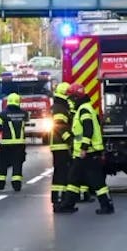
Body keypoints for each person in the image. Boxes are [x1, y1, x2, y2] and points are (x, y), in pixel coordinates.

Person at [72, 94, 113, 215]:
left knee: (97, 181)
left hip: (89, 151)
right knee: (77, 176)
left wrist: (84, 148)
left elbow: (88, 130)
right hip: (92, 150)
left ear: (76, 98)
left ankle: (106, 205)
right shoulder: (88, 108)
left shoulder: (84, 109)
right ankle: (68, 203)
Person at [49, 82, 77, 211]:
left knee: (63, 173)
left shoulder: (61, 106)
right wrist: (70, 140)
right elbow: (59, 126)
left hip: (60, 146)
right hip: (60, 145)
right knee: (61, 173)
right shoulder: (59, 107)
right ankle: (58, 202)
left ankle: (62, 201)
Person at [0, 93, 29, 191]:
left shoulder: (3, 114)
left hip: (6, 143)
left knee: (2, 163)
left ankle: (0, 184)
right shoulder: (24, 114)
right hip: (20, 144)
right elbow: (26, 122)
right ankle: (16, 184)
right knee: (17, 163)